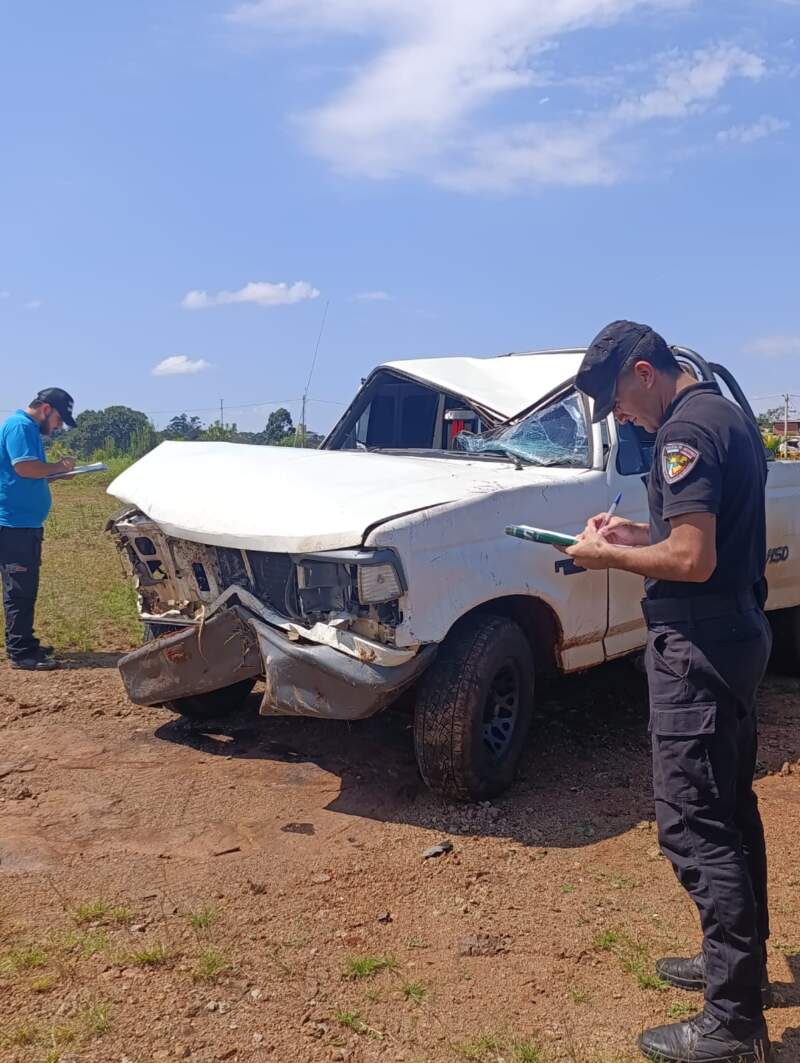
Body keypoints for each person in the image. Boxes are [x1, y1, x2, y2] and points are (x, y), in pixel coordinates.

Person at [567, 321, 772, 1063]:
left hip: (700, 649)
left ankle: (734, 1022)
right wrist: (630, 533)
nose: (620, 415)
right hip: (735, 633)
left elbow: (691, 556)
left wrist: (603, 557)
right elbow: (692, 535)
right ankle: (738, 969)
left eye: (618, 399)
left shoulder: (682, 432)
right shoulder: (723, 412)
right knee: (731, 808)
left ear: (645, 372)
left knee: (693, 825)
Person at [0, 388, 77, 671]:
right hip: (13, 525)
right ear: (45, 409)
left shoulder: (28, 428)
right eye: (59, 419)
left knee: (24, 587)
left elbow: (28, 475)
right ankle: (21, 653)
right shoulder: (20, 426)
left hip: (24, 523)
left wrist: (56, 474)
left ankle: (24, 642)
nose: (58, 426)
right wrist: (57, 466)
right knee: (19, 589)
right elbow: (25, 468)